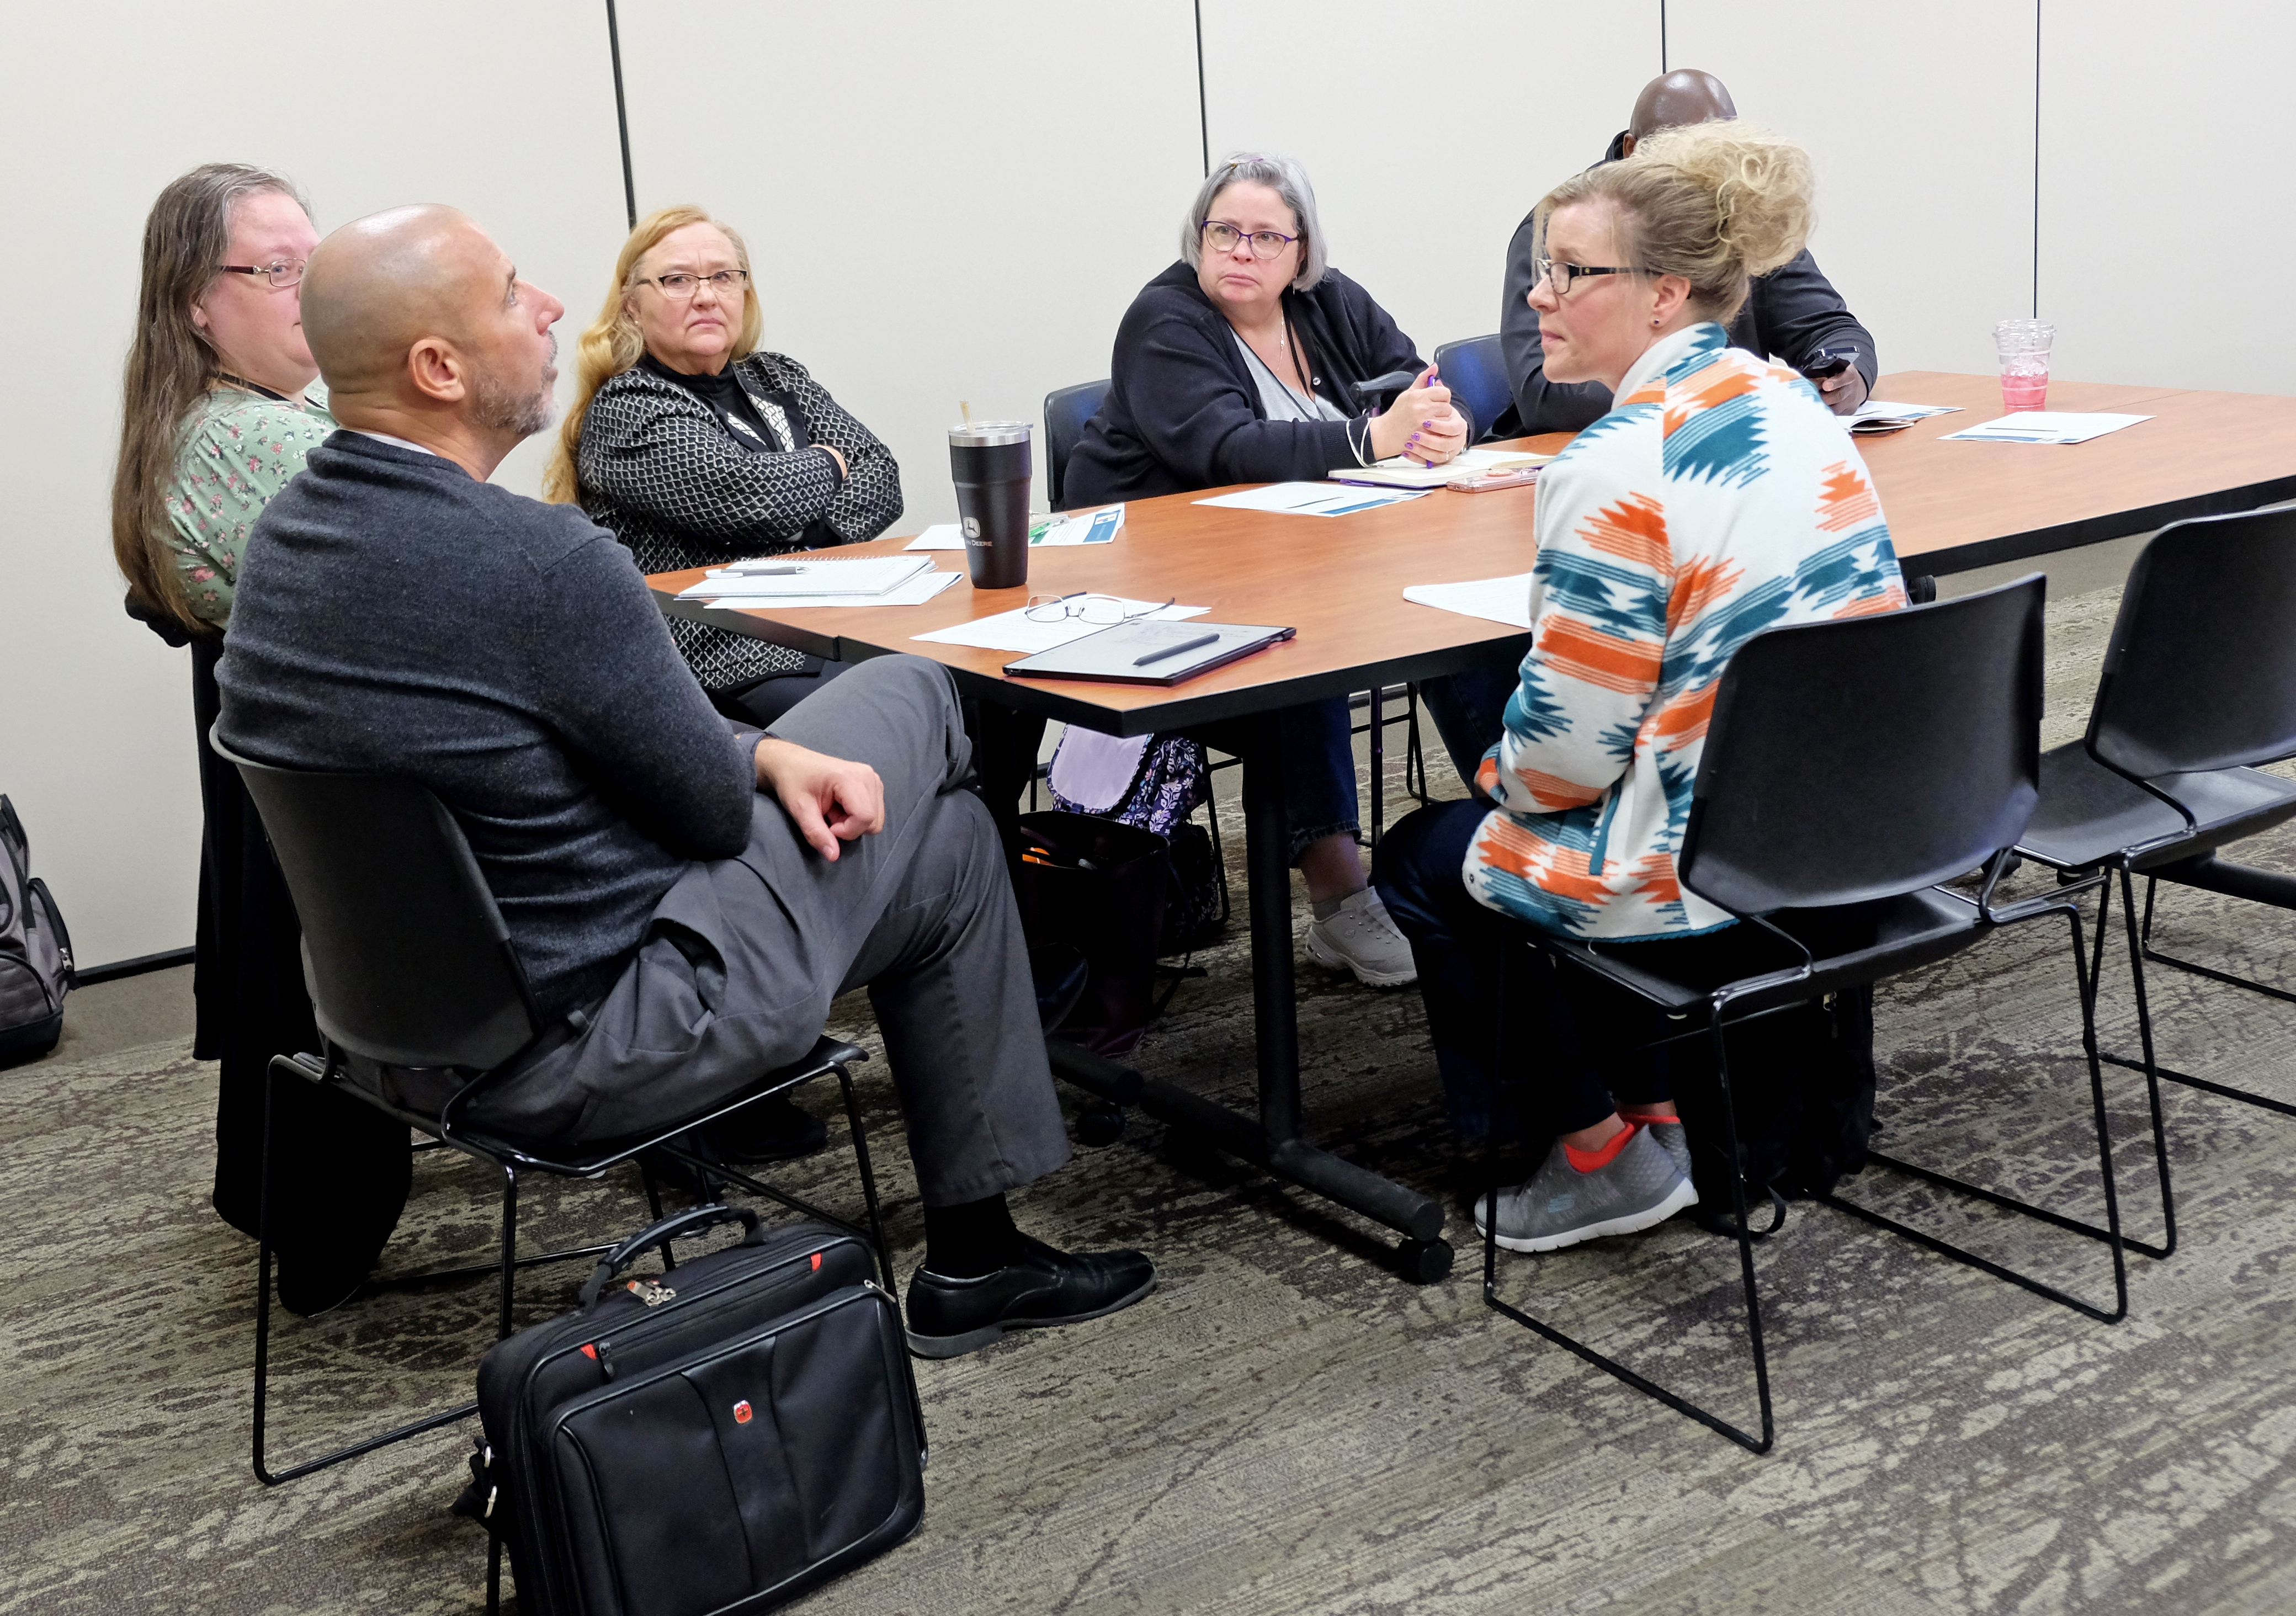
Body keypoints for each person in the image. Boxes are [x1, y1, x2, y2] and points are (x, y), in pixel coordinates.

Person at [214, 203, 1155, 1358]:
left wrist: (765, 748)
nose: (557, 307)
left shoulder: (290, 546)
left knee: (949, 848)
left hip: (401, 1036)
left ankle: (978, 1260)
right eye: (515, 293)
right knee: (916, 694)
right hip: (608, 1033)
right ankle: (1052, 950)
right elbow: (706, 816)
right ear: (438, 368)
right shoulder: (543, 562)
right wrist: (761, 766)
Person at [1375, 123, 1907, 1253]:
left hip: (1705, 876)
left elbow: (1562, 764)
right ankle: (1652, 1098)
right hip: (1858, 836)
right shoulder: (1800, 415)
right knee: (1536, 797)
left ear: (1663, 296)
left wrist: (1493, 769)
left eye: (1570, 270)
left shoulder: (1615, 464)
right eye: (1539, 266)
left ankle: (1601, 1150)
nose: (1538, 296)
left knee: (1425, 855)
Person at [1041, 153, 1478, 986]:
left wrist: (1437, 424)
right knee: (1303, 655)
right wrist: (1371, 440)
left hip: (1317, 553)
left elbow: (1419, 380)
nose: (1241, 250)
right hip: (1159, 587)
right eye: (1223, 232)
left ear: (1301, 249)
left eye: (1265, 236)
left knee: (1456, 624)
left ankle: (1520, 829)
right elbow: (1227, 449)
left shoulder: (1332, 302)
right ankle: (1342, 906)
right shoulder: (1165, 319)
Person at [110, 162, 410, 1316]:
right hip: (372, 828)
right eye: (275, 271)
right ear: (196, 300)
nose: (307, 293)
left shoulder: (280, 413)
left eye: (315, 266)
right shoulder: (251, 444)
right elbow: (454, 536)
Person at [543, 205, 901, 727]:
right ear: (632, 308)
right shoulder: (629, 408)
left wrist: (798, 536)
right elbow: (747, 497)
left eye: (723, 277)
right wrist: (826, 463)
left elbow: (880, 473)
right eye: (678, 280)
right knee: (903, 708)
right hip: (731, 660)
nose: (706, 295)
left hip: (835, 622)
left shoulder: (776, 376)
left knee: (992, 683)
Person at [1498, 71, 1879, 434]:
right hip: (1591, 446)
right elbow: (1544, 394)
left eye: (1722, 157)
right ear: (1633, 151)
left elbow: (1831, 329)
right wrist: (1713, 390)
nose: (1707, 177)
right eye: (1691, 158)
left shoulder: (1734, 209)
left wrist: (1847, 374)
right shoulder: (1564, 230)